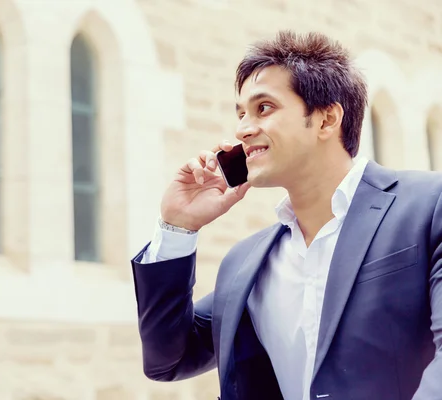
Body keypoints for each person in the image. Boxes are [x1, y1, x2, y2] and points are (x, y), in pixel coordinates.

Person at [130, 30, 442, 400]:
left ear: (327, 120)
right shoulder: (245, 264)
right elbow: (168, 360)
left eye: (263, 108)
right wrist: (177, 226)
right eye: (241, 113)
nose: (243, 129)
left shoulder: (428, 206)